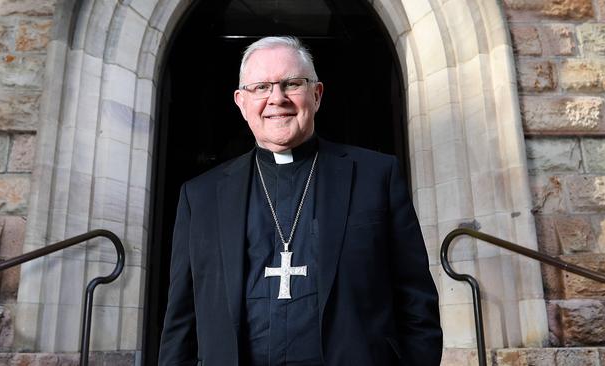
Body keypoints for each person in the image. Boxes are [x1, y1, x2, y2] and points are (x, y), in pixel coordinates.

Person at [159, 36, 442, 366]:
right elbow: (181, 322)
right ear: (241, 102)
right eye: (261, 87)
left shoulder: (375, 177)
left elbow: (416, 301)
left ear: (316, 94)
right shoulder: (200, 196)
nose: (276, 99)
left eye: (291, 83)